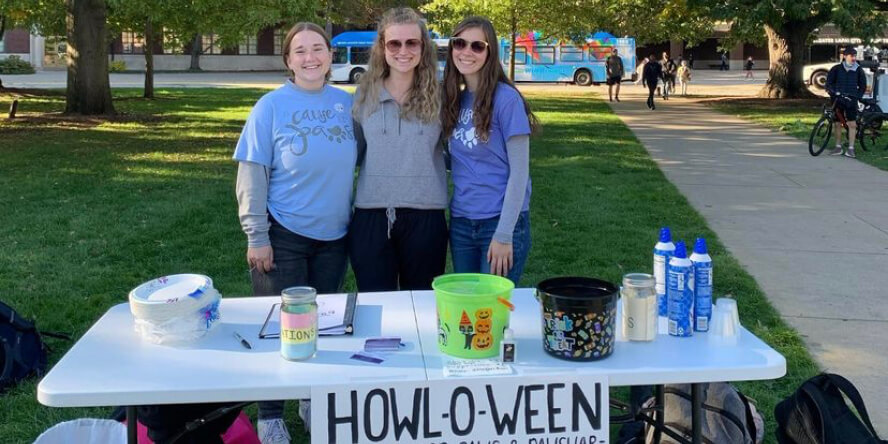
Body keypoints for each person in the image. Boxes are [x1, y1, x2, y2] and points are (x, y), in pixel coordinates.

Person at [233, 22, 357, 444]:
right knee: (278, 326)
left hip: (335, 236)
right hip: (283, 234)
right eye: (300, 51)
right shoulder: (269, 107)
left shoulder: (346, 105)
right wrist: (257, 235)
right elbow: (252, 172)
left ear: (329, 56)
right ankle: (270, 414)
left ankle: (310, 397)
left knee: (320, 325)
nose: (311, 58)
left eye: (318, 49)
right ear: (288, 60)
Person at [349, 7, 448, 292]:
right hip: (371, 216)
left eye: (411, 42)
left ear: (423, 46)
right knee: (376, 305)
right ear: (382, 47)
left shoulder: (442, 95)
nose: (403, 50)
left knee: (421, 308)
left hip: (426, 216)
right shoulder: (364, 93)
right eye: (394, 43)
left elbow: (459, 154)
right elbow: (353, 154)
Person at [441, 16, 540, 285]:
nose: (467, 52)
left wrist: (504, 234)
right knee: (468, 310)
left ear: (490, 51)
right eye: (460, 43)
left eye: (477, 46)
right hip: (461, 222)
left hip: (499, 222)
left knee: (490, 312)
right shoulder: (454, 99)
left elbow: (520, 173)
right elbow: (454, 160)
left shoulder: (507, 100)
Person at [825, 47, 868, 158]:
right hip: (837, 99)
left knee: (852, 124)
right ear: (844, 56)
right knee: (837, 123)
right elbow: (829, 83)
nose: (853, 58)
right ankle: (838, 147)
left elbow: (863, 86)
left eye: (854, 56)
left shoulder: (858, 70)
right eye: (851, 56)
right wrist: (833, 93)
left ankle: (851, 149)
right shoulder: (836, 69)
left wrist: (857, 97)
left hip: (851, 100)